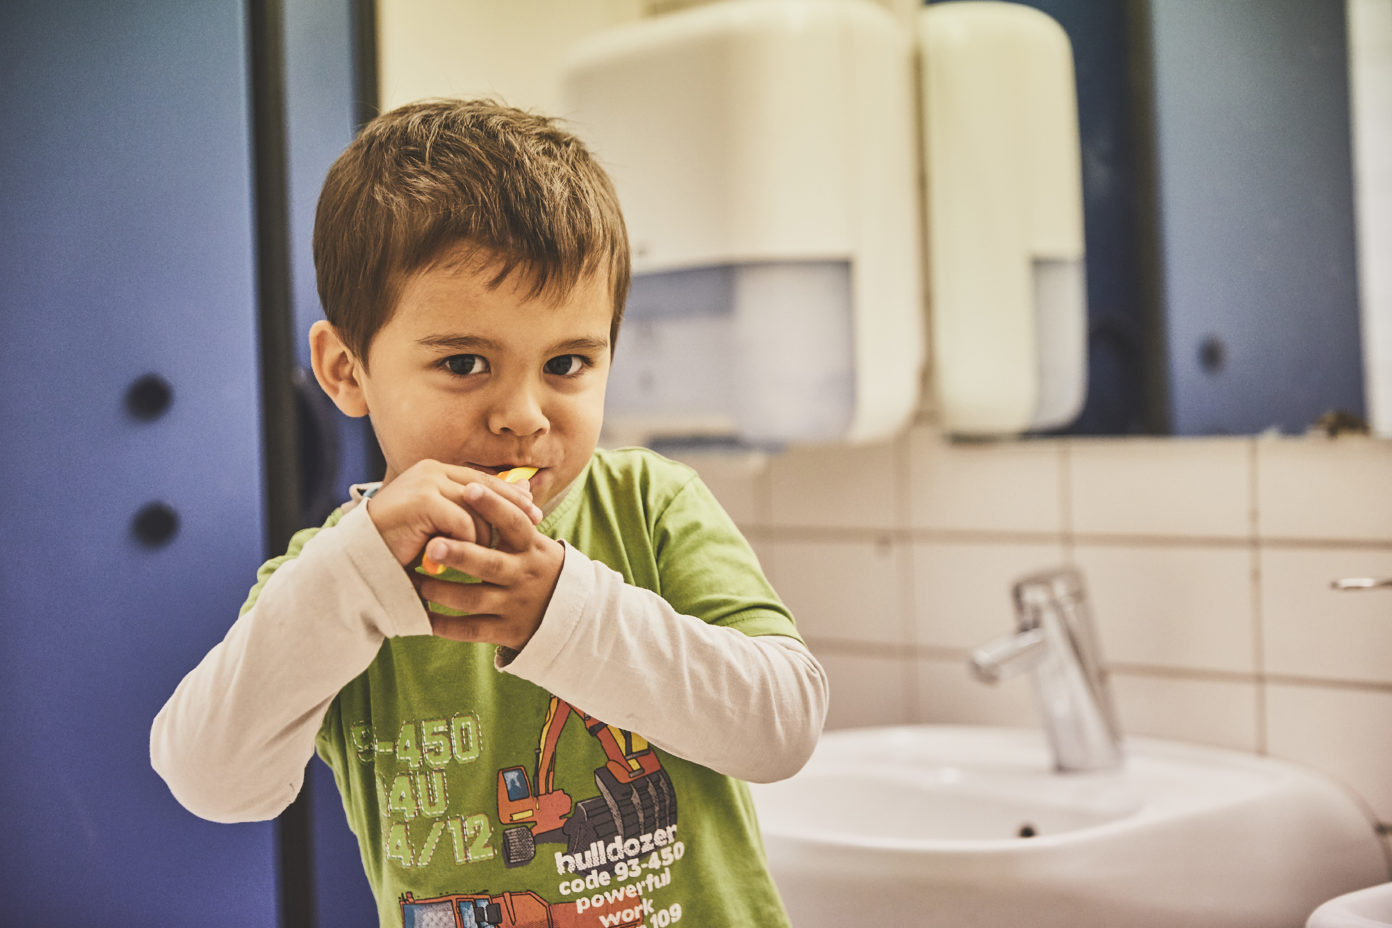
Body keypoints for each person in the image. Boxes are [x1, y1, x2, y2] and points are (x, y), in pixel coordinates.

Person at [150, 98, 828, 928]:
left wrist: (563, 612)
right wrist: (351, 575)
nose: (525, 415)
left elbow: (783, 729)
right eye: (466, 362)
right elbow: (215, 784)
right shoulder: (338, 578)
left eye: (568, 362)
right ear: (346, 372)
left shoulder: (650, 504)